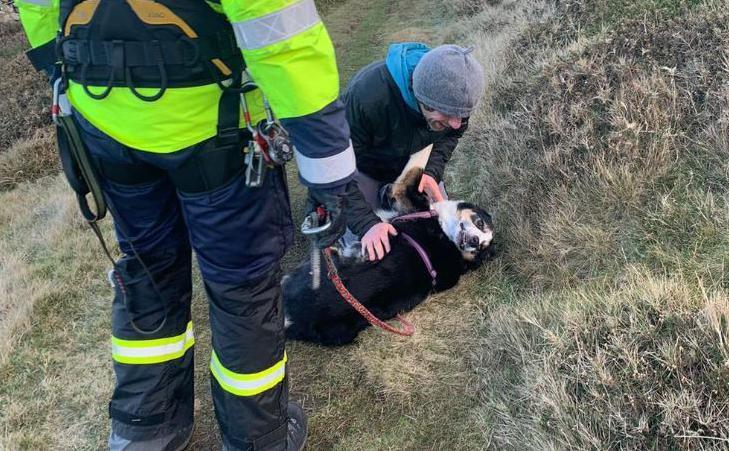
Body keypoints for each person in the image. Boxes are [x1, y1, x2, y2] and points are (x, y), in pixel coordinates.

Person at [14, 0, 354, 449]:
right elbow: (286, 44)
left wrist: (63, 74)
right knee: (242, 289)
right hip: (215, 131)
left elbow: (38, 8)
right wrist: (328, 175)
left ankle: (144, 430)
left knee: (147, 269)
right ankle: (258, 438)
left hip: (104, 121)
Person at [340, 42, 485, 261]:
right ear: (424, 100)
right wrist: (367, 224)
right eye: (447, 116)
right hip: (360, 167)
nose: (457, 124)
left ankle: (392, 197)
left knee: (443, 230)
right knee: (365, 251)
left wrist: (431, 173)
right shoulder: (366, 98)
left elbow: (451, 136)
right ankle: (333, 210)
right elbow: (336, 167)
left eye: (462, 116)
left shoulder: (457, 105)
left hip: (410, 164)